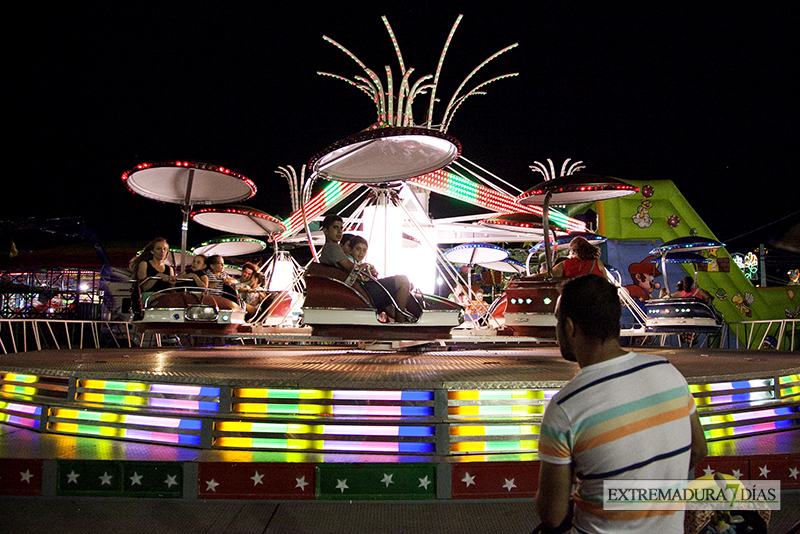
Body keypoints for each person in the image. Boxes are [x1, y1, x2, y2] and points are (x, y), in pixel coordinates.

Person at [536, 275, 707, 533]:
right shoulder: (669, 373)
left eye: (558, 321)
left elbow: (553, 514)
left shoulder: (566, 407)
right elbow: (699, 449)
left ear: (569, 327)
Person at [318, 214, 413, 323]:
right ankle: (402, 323)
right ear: (325, 231)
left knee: (387, 304)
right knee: (403, 281)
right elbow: (350, 267)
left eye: (341, 228)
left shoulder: (329, 250)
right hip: (360, 293)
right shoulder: (332, 247)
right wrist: (366, 266)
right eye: (335, 228)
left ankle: (407, 320)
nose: (340, 232)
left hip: (354, 291)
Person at [534, 236, 606, 279]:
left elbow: (548, 275)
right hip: (595, 299)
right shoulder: (597, 263)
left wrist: (528, 278)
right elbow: (606, 283)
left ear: (573, 251)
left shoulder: (566, 264)